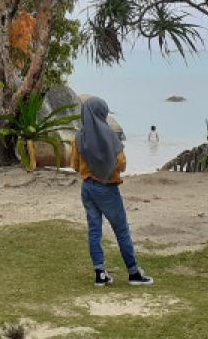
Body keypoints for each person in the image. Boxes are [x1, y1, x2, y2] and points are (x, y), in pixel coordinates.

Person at [67, 97, 154, 286]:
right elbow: (121, 164)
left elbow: (73, 164)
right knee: (121, 230)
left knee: (94, 231)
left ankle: (100, 273)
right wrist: (106, 169)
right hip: (107, 188)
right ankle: (133, 273)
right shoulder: (110, 135)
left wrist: (89, 168)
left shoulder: (79, 137)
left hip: (87, 188)